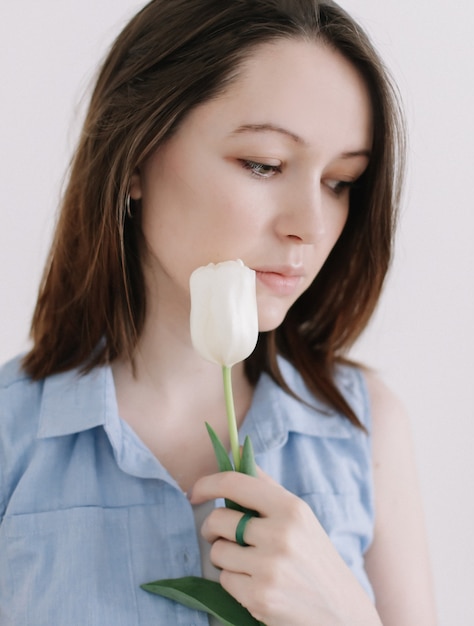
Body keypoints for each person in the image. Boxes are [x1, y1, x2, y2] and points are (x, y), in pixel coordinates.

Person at [0, 0, 436, 624]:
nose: (310, 225)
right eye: (263, 164)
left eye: (339, 181)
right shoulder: (12, 434)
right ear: (134, 159)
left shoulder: (365, 428)